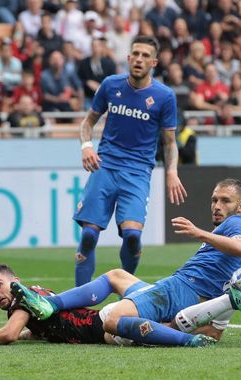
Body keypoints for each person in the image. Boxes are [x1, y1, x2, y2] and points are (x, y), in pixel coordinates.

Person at [13, 179, 241, 347]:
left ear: (240, 206)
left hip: (180, 288)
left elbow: (238, 248)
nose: (216, 205)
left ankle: (51, 304)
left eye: (225, 200)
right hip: (194, 293)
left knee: (113, 320)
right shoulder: (226, 228)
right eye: (214, 200)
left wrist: (198, 232)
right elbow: (237, 253)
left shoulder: (236, 222)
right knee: (117, 275)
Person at [0, 255, 241, 347]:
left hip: (108, 324)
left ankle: (229, 299)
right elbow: (32, 332)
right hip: (131, 299)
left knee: (181, 331)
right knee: (212, 331)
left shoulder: (23, 302)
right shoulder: (33, 295)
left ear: (16, 282)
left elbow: (10, 333)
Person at [75, 35, 186, 287]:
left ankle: (126, 289)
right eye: (135, 54)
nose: (139, 59)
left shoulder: (164, 96)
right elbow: (88, 122)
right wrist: (86, 146)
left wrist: (171, 172)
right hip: (105, 167)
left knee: (133, 235)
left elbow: (169, 142)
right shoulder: (110, 85)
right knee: (89, 235)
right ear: (128, 58)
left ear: (154, 62)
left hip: (137, 173)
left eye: (145, 55)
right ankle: (77, 303)